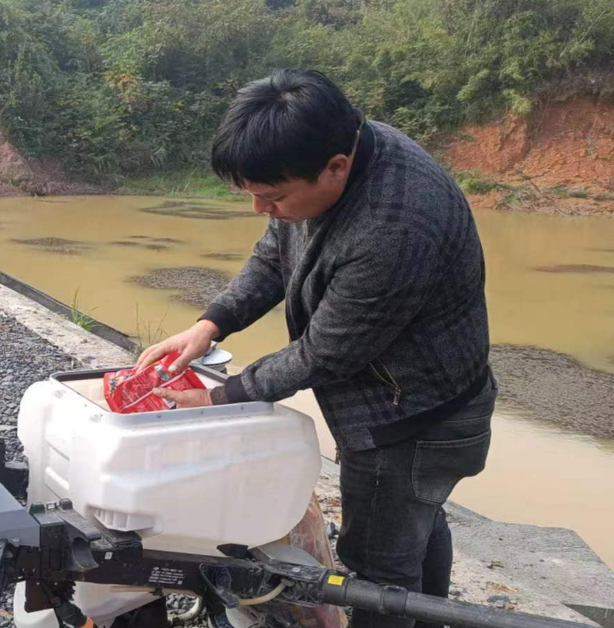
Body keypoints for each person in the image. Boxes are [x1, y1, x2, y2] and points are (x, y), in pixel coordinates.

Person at [137, 69, 496, 628]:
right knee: (419, 525)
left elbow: (324, 352)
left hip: (414, 422)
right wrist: (212, 324)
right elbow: (274, 253)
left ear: (336, 167)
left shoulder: (395, 225)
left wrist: (222, 396)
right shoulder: (334, 148)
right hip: (409, 400)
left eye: (272, 197)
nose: (263, 210)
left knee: (378, 571)